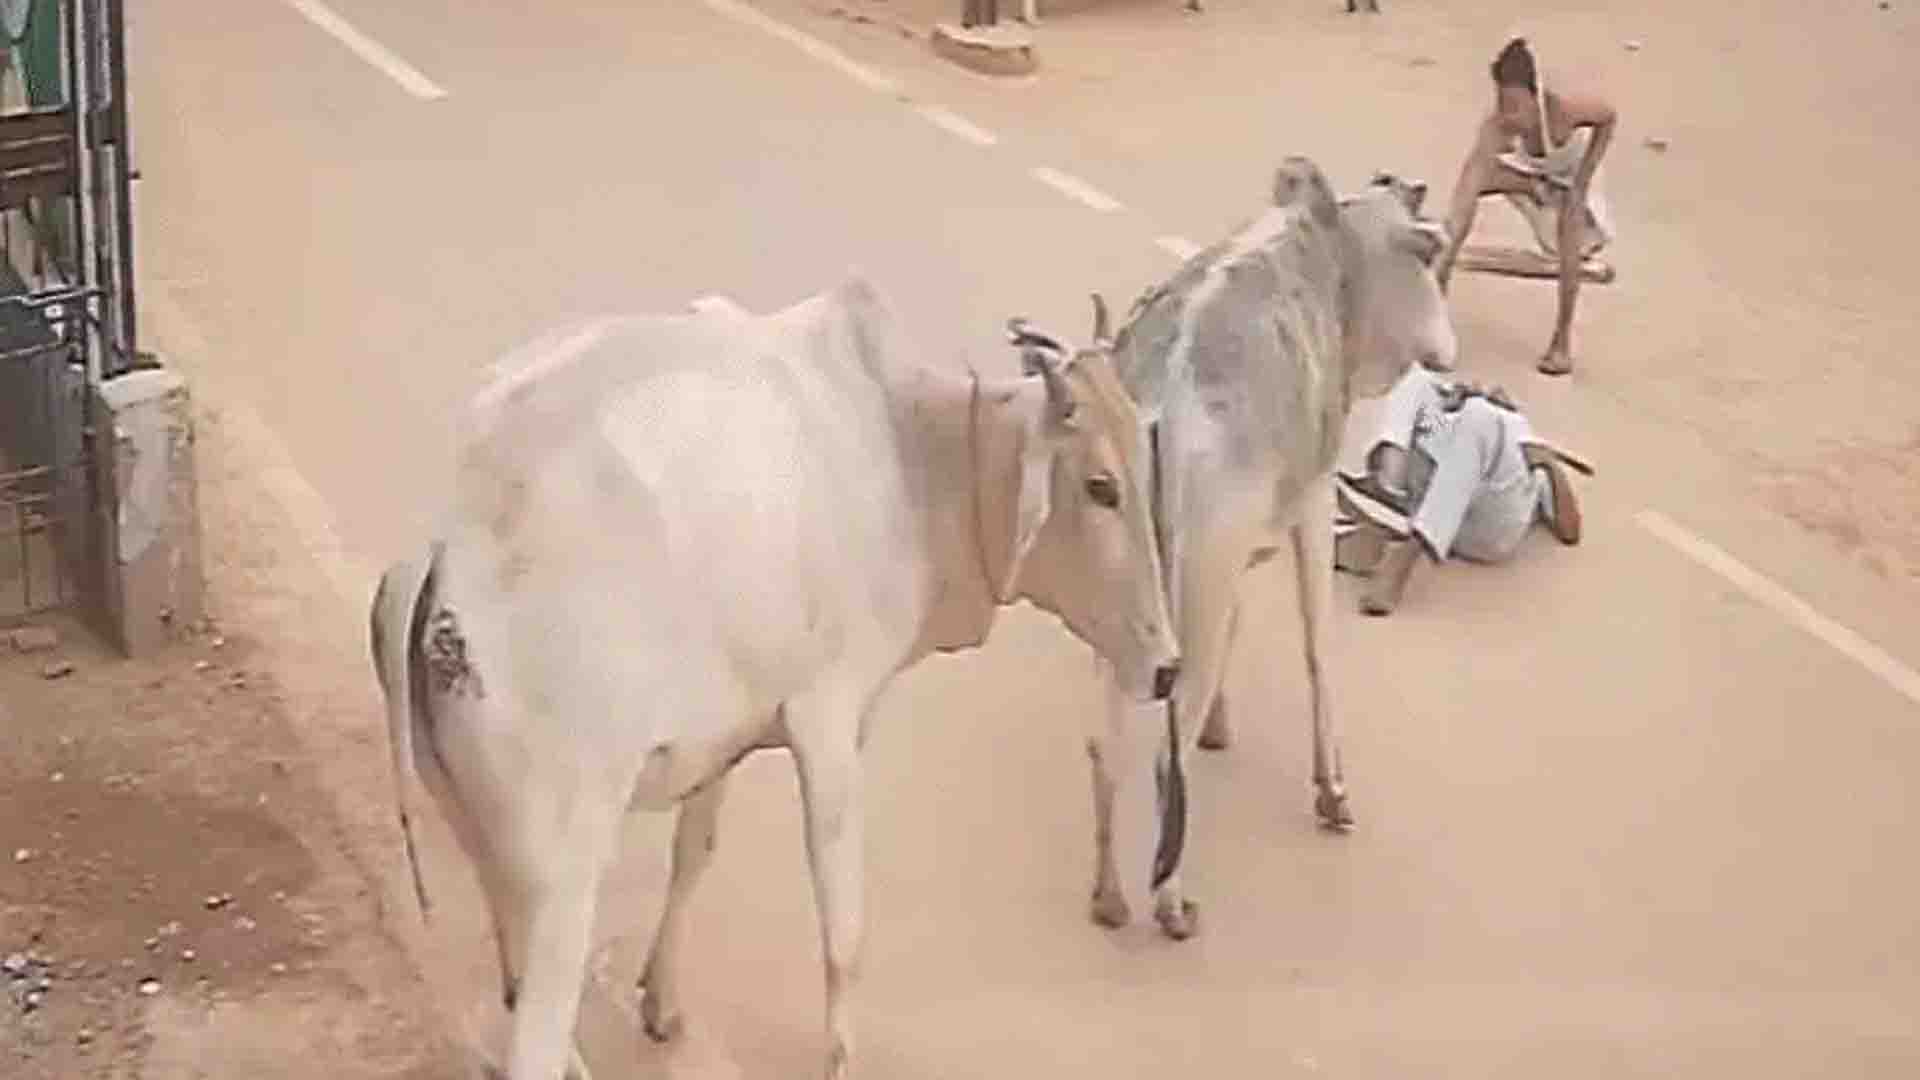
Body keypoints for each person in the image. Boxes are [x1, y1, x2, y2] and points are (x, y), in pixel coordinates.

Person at [1334, 366, 1588, 616]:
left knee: (1479, 417)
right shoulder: (1466, 414)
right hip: (1434, 492)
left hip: (1488, 524)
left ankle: (1404, 559)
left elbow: (1571, 531)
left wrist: (1551, 465)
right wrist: (1452, 401)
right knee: (1413, 376)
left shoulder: (1519, 436)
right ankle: (1387, 488)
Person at [1432, 37, 1618, 377]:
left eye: (1516, 105)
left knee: (1568, 234)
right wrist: (1442, 264)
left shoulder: (1563, 111)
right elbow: (1466, 190)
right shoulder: (1498, 126)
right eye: (1502, 103)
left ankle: (1561, 342)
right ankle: (1440, 287)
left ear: (1536, 97)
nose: (1509, 114)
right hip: (1534, 177)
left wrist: (1583, 181)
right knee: (1475, 179)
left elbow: (1607, 116)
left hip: (1573, 179)